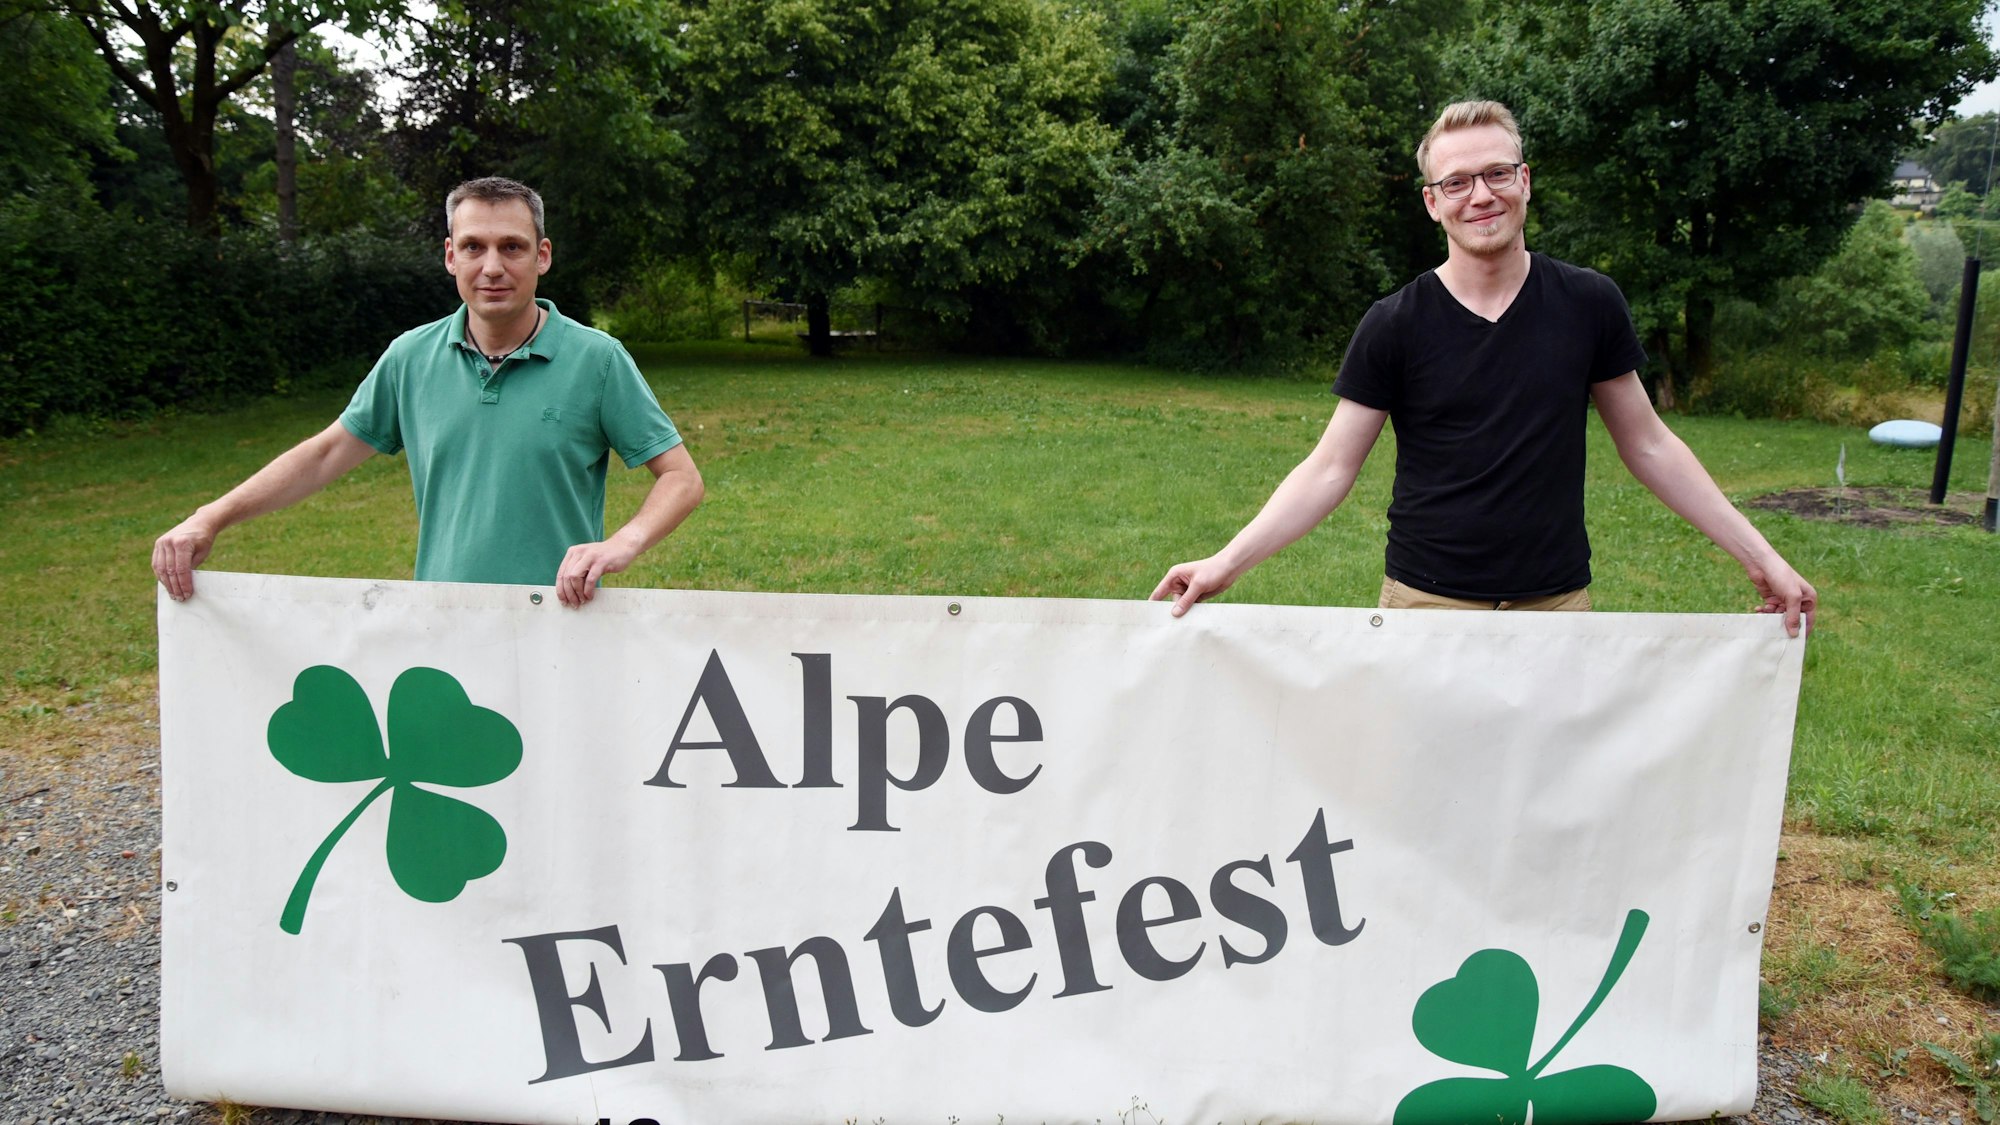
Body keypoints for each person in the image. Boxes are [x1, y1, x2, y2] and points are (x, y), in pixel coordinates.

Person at [1151, 100, 1816, 635]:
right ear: (1432, 201)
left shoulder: (1589, 303)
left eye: (1498, 173)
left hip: (1557, 611)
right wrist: (1225, 564)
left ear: (1524, 181)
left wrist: (1763, 558)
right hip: (1424, 608)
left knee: (1549, 802)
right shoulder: (1395, 323)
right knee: (1422, 798)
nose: (1481, 196)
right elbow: (1329, 467)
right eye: (1457, 182)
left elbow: (1648, 443)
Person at [151, 177, 702, 609]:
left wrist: (621, 544)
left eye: (512, 247)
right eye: (474, 247)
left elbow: (681, 478)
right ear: (450, 257)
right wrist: (210, 517)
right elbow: (323, 455)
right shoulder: (410, 358)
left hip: (562, 618)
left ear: (542, 256)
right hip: (444, 620)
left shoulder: (597, 361)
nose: (492, 267)